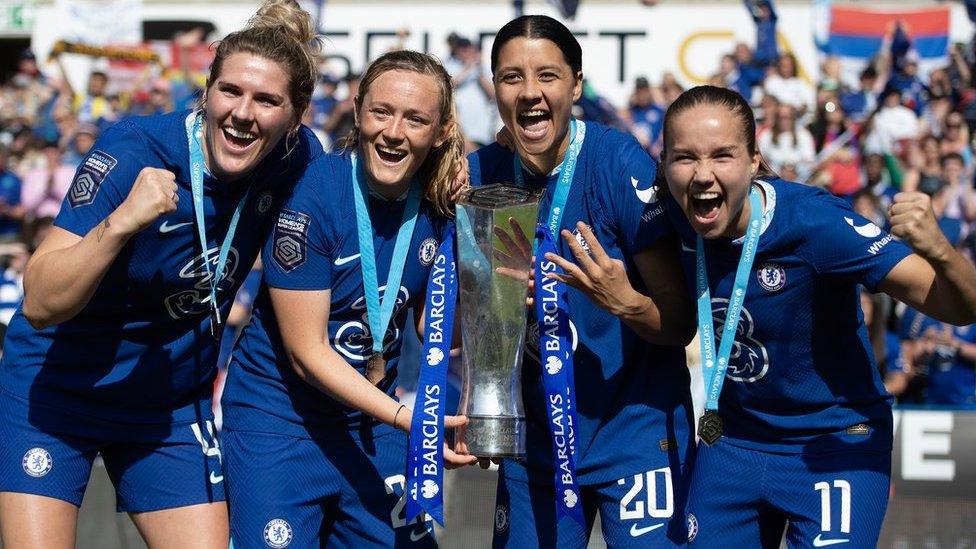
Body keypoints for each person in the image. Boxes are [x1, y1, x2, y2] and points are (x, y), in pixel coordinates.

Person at [0, 1, 322, 547]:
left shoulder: (298, 158)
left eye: (267, 100)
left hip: (168, 404)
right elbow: (40, 300)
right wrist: (122, 223)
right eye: (230, 91)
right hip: (58, 387)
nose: (243, 113)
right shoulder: (135, 150)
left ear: (296, 115)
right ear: (206, 89)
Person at [657, 85, 976, 547]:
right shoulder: (667, 215)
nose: (702, 174)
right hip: (733, 441)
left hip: (834, 441)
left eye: (722, 156)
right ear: (664, 164)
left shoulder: (815, 224)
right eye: (684, 157)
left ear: (754, 161)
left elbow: (960, 308)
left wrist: (941, 251)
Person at [221, 49, 475, 548]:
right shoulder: (315, 193)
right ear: (357, 111)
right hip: (280, 425)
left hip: (371, 424)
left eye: (415, 119)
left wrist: (493, 292)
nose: (394, 132)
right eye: (381, 112)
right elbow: (306, 353)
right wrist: (412, 421)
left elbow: (439, 333)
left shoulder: (442, 202)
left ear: (441, 130)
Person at [468, 15, 695, 548]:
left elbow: (678, 322)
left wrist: (625, 303)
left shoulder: (620, 164)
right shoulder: (478, 174)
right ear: (494, 88)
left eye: (547, 75)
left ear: (576, 83)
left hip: (635, 436)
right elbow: (463, 332)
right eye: (510, 77)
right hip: (537, 449)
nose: (530, 93)